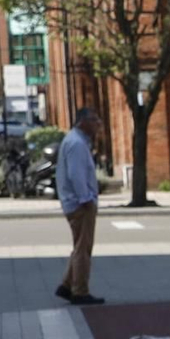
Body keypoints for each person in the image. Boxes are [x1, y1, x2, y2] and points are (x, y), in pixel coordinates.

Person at [53, 107, 104, 305]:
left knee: (79, 246)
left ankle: (66, 285)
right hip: (80, 204)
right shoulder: (76, 143)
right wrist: (86, 199)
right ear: (83, 122)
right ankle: (80, 290)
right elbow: (76, 174)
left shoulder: (77, 141)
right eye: (94, 120)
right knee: (84, 249)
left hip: (77, 202)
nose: (98, 124)